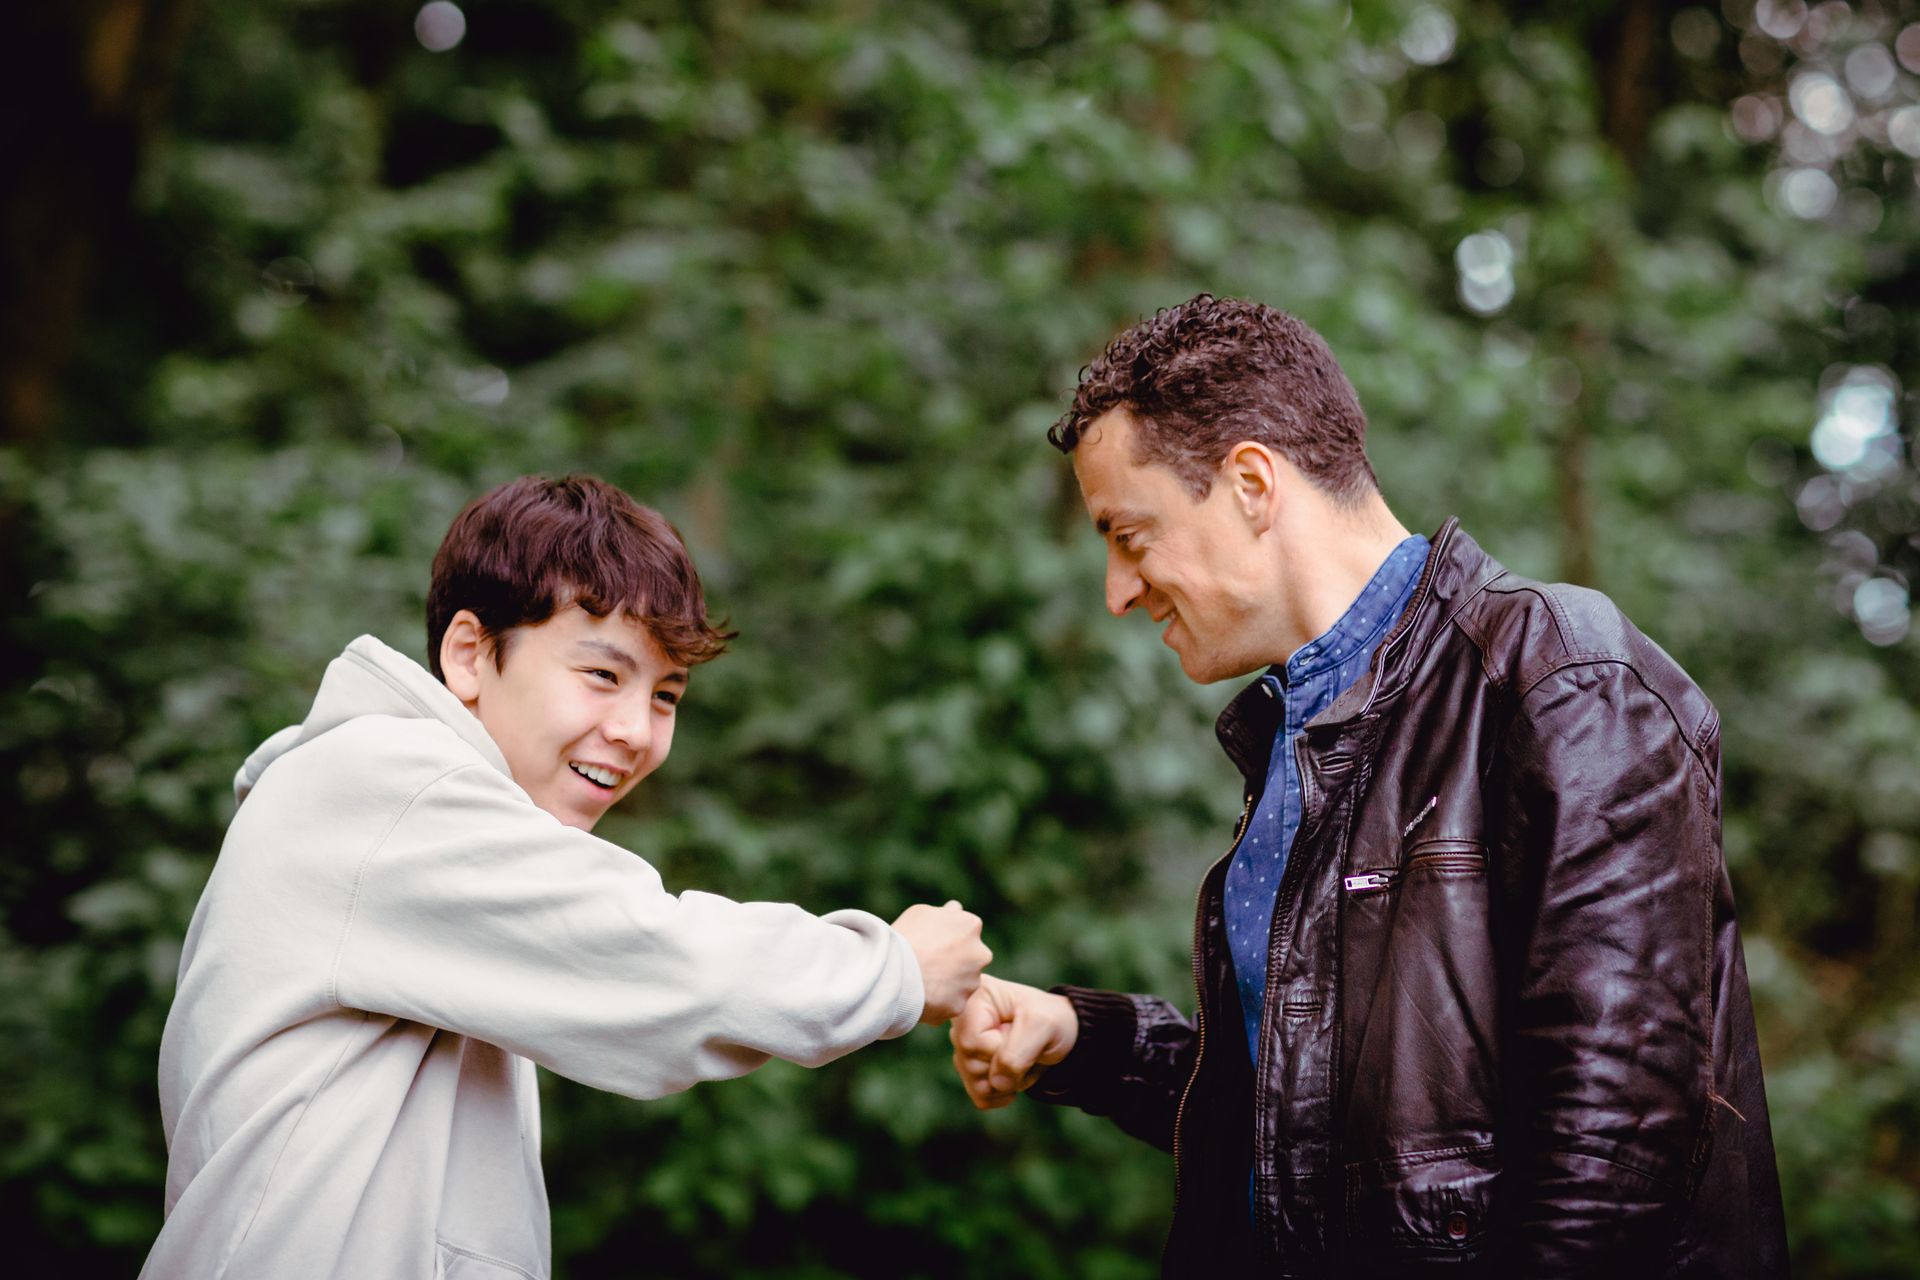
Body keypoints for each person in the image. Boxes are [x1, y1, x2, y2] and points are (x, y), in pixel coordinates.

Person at [949, 296, 1786, 1277]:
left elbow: (1610, 1165)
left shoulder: (1564, 681)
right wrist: (1084, 1040)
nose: (1116, 591)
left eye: (1130, 535)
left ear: (1251, 484)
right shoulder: (1300, 732)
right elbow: (1316, 1127)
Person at [144, 474, 990, 1280]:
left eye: (666, 696)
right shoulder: (391, 788)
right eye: (602, 675)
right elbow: (662, 965)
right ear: (470, 655)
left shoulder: (415, 836)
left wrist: (973, 996)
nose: (636, 732)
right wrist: (896, 971)